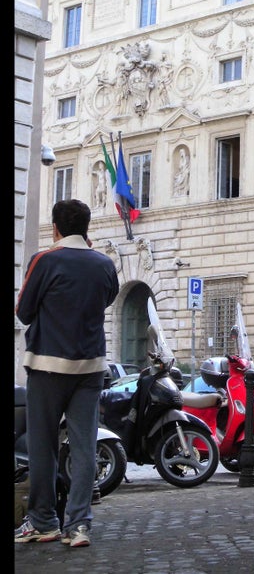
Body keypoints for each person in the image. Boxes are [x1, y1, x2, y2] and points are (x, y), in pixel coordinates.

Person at [15, 199, 120, 547]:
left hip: (47, 365)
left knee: (42, 446)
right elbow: (106, 299)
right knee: (84, 445)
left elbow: (24, 311)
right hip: (90, 366)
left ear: (56, 227)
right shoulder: (104, 264)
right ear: (86, 228)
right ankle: (79, 525)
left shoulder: (44, 260)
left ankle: (44, 521)